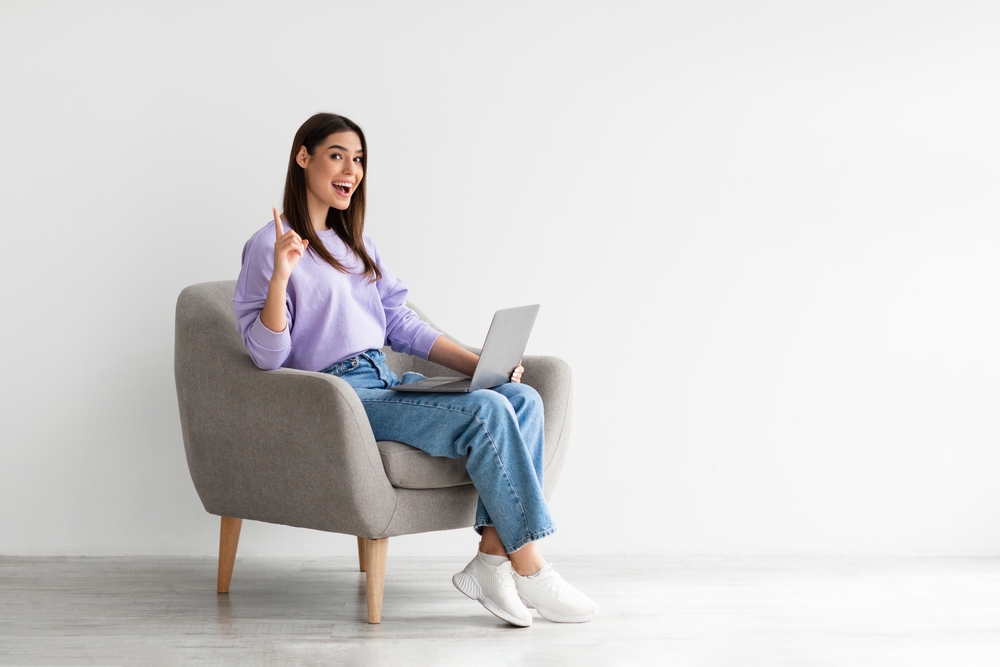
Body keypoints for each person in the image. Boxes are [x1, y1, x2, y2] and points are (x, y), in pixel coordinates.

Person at [233, 113, 597, 627]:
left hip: (383, 381)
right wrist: (280, 277)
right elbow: (266, 355)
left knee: (522, 399)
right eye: (337, 155)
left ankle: (492, 560)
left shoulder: (357, 245)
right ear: (303, 157)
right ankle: (531, 567)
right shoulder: (269, 246)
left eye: (358, 159)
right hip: (338, 398)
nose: (351, 170)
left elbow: (402, 324)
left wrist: (481, 365)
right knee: (487, 413)